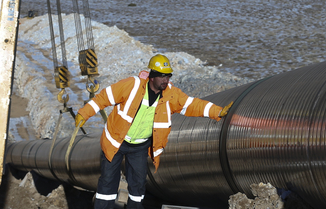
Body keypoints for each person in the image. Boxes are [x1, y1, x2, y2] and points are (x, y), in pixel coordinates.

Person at [75, 54, 233, 209]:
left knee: (137, 185)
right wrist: (84, 113)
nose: (166, 80)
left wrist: (217, 112)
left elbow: (192, 105)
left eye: (168, 76)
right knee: (108, 183)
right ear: (151, 76)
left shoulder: (171, 95)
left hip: (139, 146)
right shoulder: (132, 85)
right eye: (162, 76)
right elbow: (104, 97)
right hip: (116, 141)